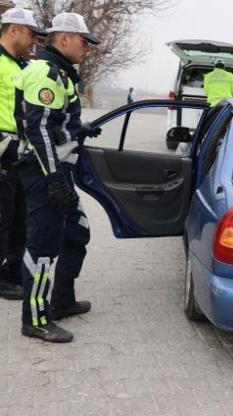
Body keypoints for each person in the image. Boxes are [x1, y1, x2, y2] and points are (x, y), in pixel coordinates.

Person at [14, 12, 101, 343]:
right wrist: (53, 178)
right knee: (43, 246)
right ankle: (35, 319)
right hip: (43, 171)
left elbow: (56, 122)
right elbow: (38, 130)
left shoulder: (62, 74)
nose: (87, 49)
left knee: (76, 233)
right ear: (63, 38)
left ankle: (61, 300)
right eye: (84, 42)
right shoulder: (45, 72)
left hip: (56, 170)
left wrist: (81, 129)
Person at [0, 6, 46, 301]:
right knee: (4, 217)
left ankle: (13, 271)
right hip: (2, 151)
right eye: (30, 33)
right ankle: (4, 278)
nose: (33, 40)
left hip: (19, 152)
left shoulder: (20, 65)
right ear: (13, 29)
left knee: (19, 217)